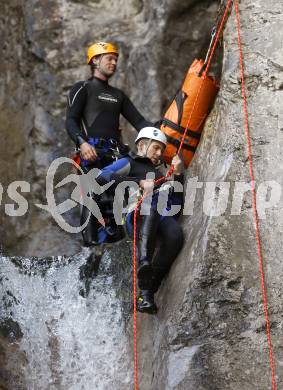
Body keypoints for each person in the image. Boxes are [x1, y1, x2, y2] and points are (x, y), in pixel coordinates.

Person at [65, 41, 152, 246]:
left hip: (114, 152)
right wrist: (82, 144)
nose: (114, 63)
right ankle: (91, 244)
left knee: (117, 196)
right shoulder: (83, 88)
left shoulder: (118, 95)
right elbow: (71, 120)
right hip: (92, 149)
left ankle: (114, 241)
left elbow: (139, 122)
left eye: (115, 59)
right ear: (95, 61)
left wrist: (161, 130)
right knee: (92, 192)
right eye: (109, 59)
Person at [96, 127, 184, 314]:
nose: (159, 154)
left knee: (175, 235)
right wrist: (138, 183)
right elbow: (100, 176)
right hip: (135, 215)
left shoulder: (162, 174)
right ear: (142, 145)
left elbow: (176, 204)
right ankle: (144, 262)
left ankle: (147, 293)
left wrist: (178, 175)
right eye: (156, 148)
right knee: (150, 206)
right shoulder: (130, 163)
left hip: (159, 216)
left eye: (162, 150)